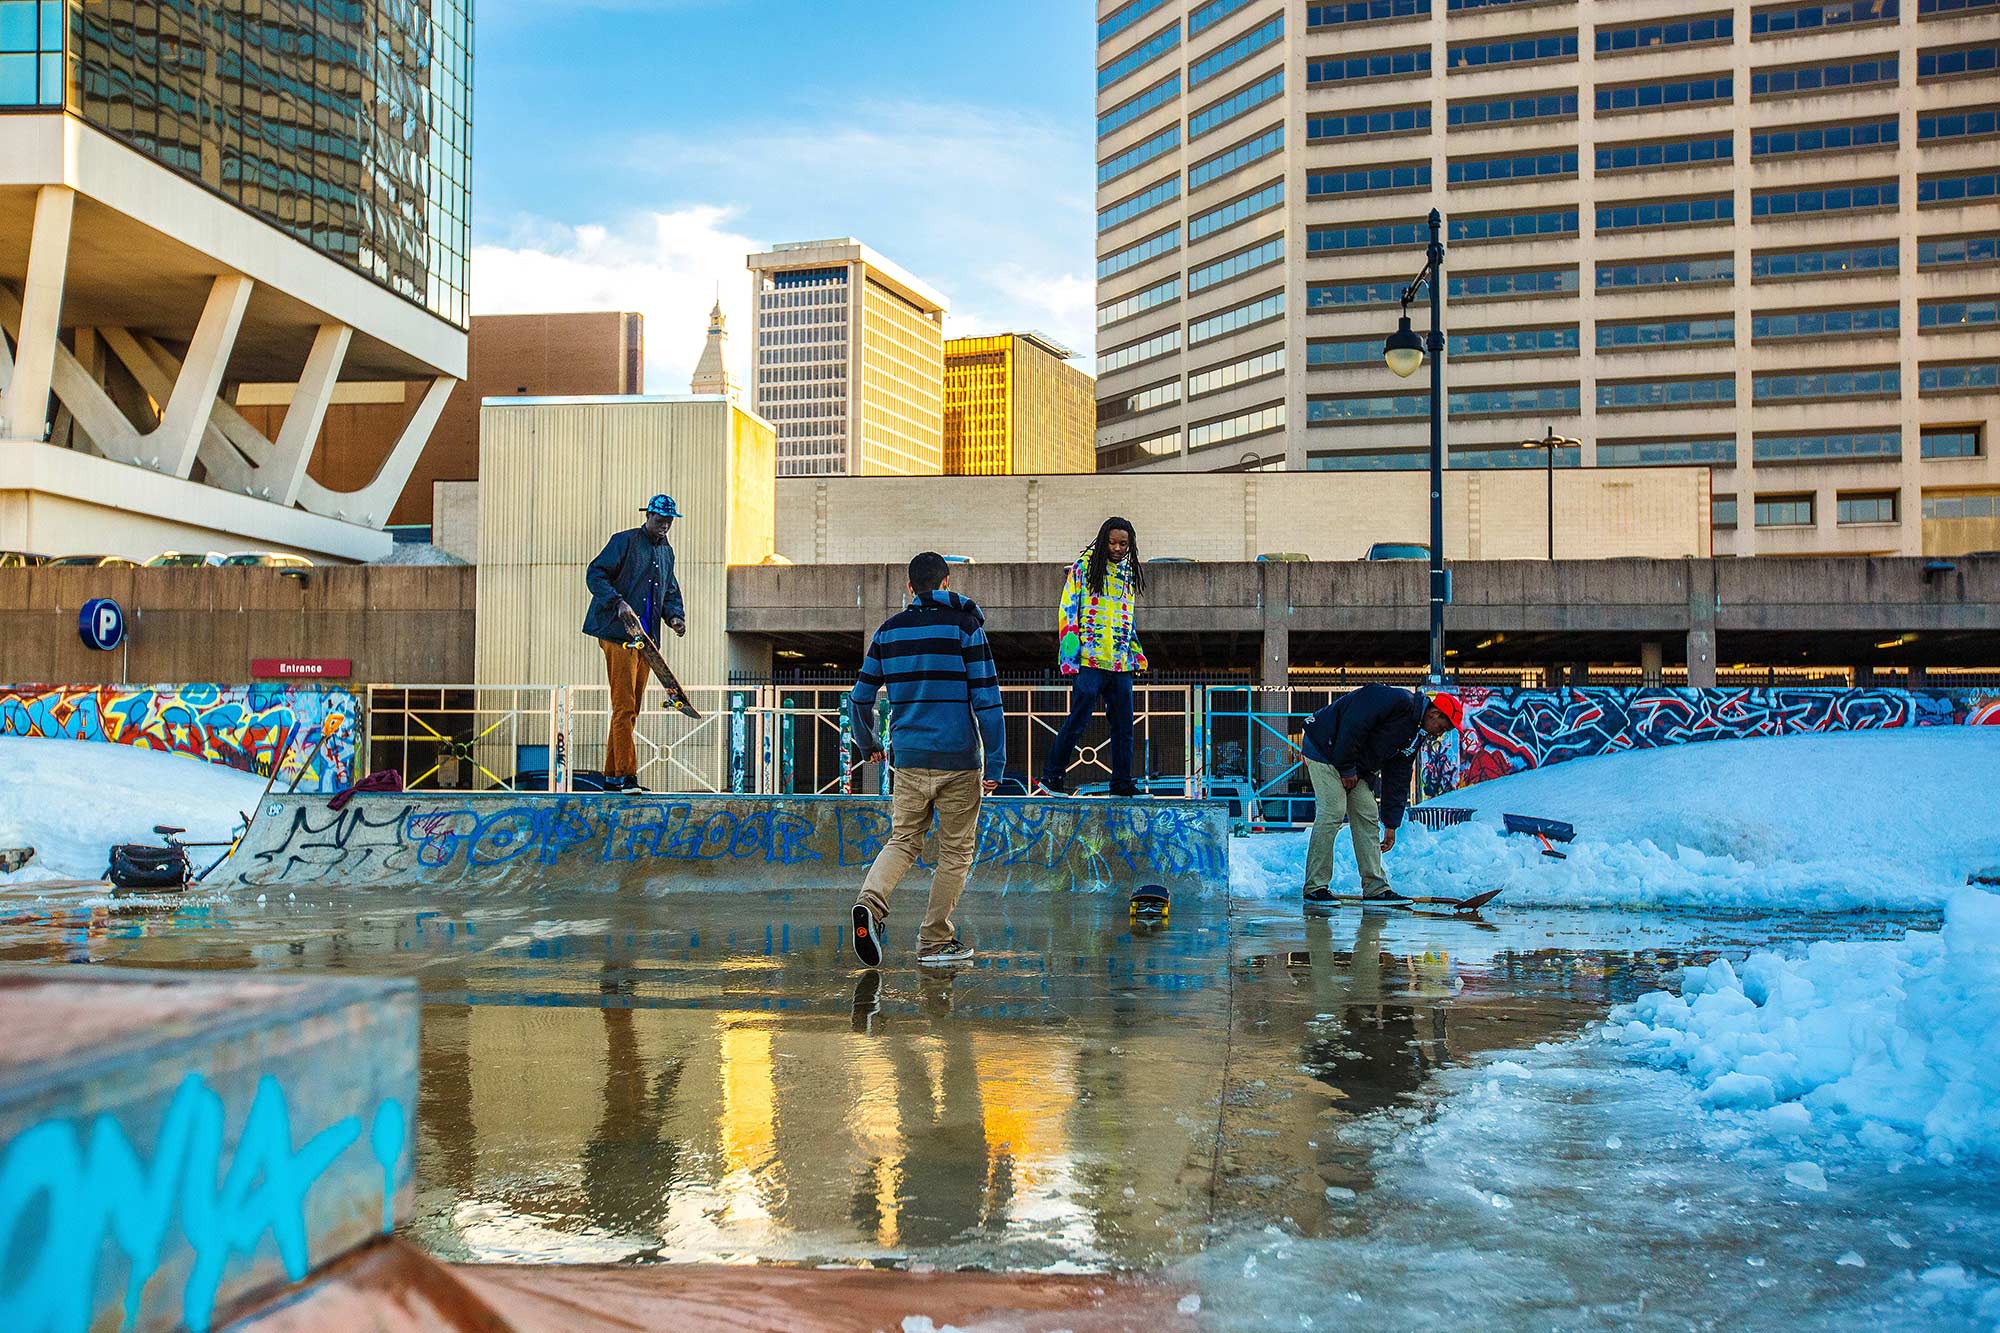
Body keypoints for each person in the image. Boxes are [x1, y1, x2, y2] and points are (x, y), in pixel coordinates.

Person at [849, 551, 1006, 969]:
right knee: (955, 852)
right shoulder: (966, 627)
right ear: (946, 583)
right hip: (958, 760)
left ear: (909, 587)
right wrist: (997, 762)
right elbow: (987, 701)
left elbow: (860, 699)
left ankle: (870, 903)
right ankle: (935, 941)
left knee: (903, 840)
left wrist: (868, 745)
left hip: (910, 761)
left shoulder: (888, 632)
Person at [1298, 685, 1463, 906]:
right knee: (1333, 811)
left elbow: (1398, 775)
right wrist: (1347, 768)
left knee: (1367, 813)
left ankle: (1376, 889)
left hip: (1352, 761)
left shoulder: (1415, 733)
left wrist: (1391, 823)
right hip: (1324, 747)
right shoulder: (1395, 700)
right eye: (1441, 727)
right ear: (1434, 714)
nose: (1438, 734)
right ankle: (1315, 888)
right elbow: (1353, 724)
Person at [582, 494, 686, 791]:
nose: (664, 525)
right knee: (624, 705)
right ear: (648, 516)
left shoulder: (667, 553)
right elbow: (596, 573)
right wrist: (617, 602)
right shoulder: (624, 541)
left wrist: (675, 617)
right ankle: (628, 775)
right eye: (659, 520)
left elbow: (669, 591)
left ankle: (613, 776)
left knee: (631, 708)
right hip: (619, 634)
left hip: (646, 640)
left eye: (669, 521)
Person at [1039, 517, 1147, 796]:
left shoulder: (1129, 573)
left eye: (1123, 543)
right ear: (1103, 541)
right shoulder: (1083, 568)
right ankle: (1052, 777)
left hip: (1120, 661)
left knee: (1124, 725)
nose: (1117, 548)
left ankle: (1121, 783)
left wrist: (1134, 649)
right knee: (1079, 718)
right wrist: (1070, 648)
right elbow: (1068, 607)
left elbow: (1127, 617)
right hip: (1089, 659)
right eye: (1112, 542)